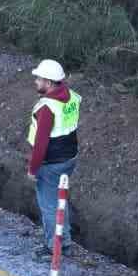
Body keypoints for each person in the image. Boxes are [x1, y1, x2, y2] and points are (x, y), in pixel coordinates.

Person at [25, 59, 81, 259]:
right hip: (69, 157)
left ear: (49, 83)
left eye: (39, 78)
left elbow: (41, 144)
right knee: (60, 201)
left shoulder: (47, 108)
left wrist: (33, 169)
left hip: (51, 163)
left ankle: (54, 247)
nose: (36, 82)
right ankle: (63, 241)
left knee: (49, 205)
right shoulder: (71, 97)